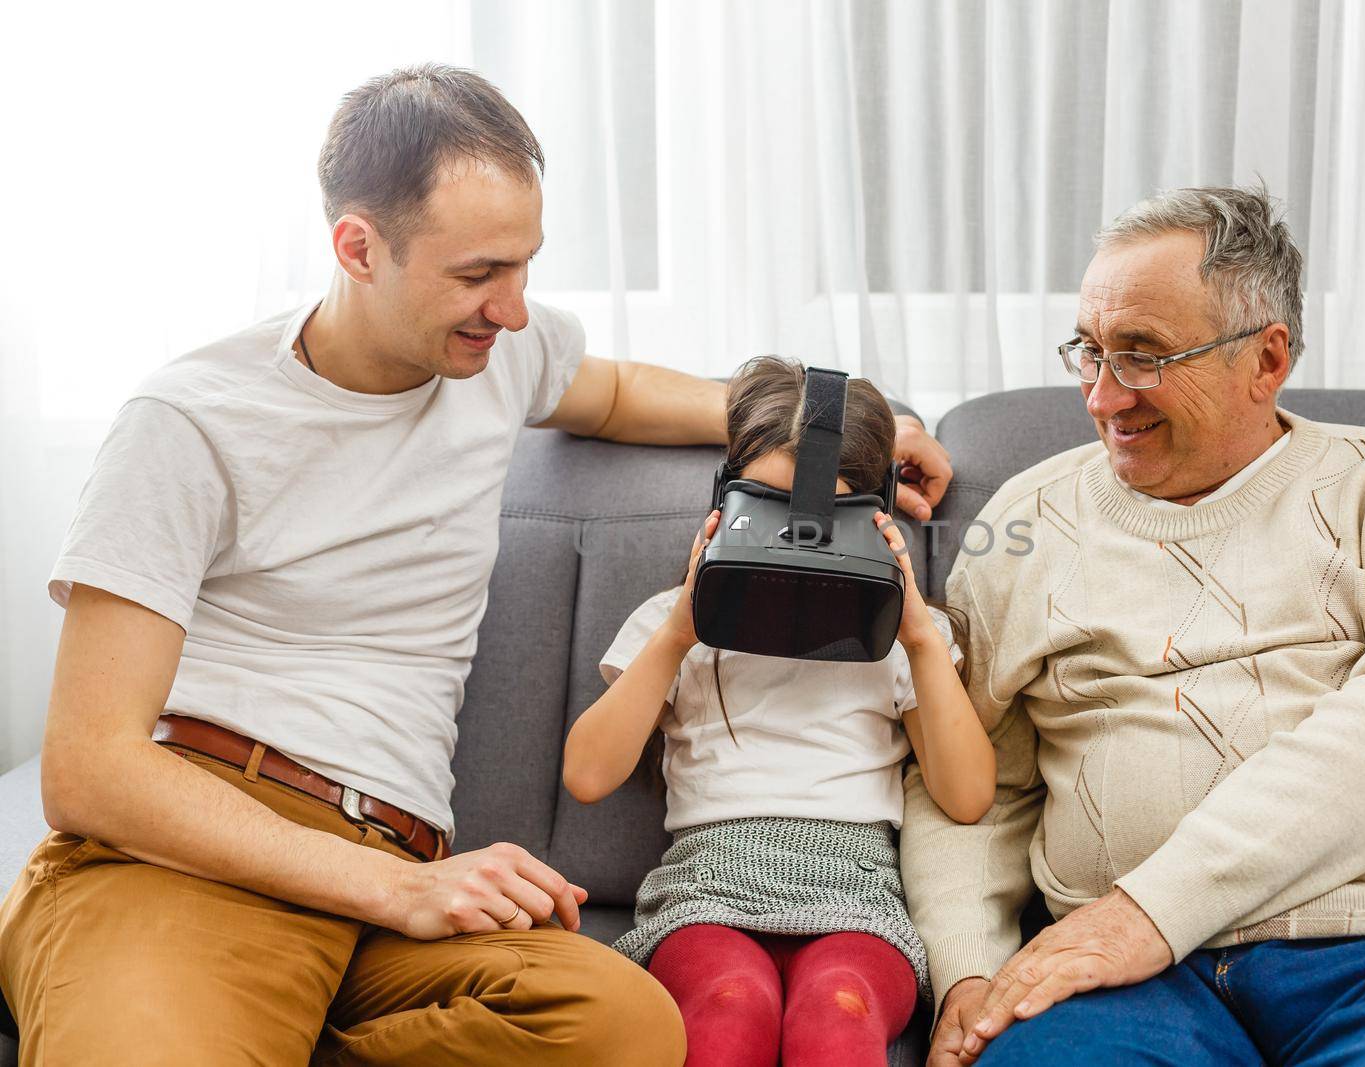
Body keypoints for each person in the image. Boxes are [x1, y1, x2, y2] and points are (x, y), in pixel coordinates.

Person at [0, 65, 952, 1066]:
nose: (512, 308)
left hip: (394, 883)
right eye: (477, 274)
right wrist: (395, 887)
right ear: (357, 247)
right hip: (199, 853)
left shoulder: (499, 354)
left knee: (626, 1026)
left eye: (526, 267)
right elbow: (89, 768)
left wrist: (846, 432)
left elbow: (622, 392)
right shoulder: (191, 419)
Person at [904, 185, 1365, 1066]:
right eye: (1090, 352)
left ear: (1266, 359)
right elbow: (967, 780)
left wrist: (1149, 910)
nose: (1105, 397)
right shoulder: (1024, 522)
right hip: (1115, 982)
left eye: (1142, 357)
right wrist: (966, 969)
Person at [562, 356, 995, 1066]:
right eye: (766, 507)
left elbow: (969, 795)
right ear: (725, 497)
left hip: (856, 897)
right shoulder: (673, 629)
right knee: (729, 1003)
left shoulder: (903, 643)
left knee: (838, 1008)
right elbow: (587, 774)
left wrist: (916, 635)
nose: (796, 541)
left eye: (826, 518)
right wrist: (678, 633)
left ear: (876, 512)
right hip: (709, 891)